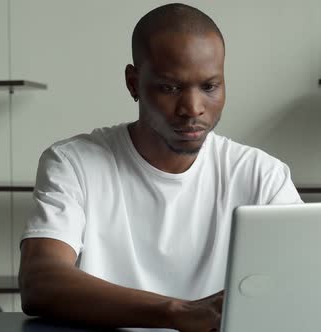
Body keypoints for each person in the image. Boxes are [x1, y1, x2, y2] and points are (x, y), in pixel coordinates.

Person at [18, 3, 302, 331]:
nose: (193, 108)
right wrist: (175, 313)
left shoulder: (262, 175)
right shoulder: (73, 163)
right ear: (133, 83)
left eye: (209, 86)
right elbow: (40, 280)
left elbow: (304, 281)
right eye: (170, 87)